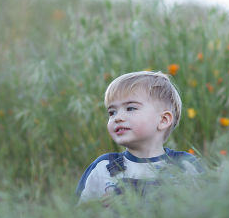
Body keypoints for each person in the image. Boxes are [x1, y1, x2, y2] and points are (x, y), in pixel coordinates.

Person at [76, 70, 203, 204]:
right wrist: (101, 207)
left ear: (163, 120)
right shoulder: (103, 169)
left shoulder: (185, 166)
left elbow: (208, 208)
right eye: (112, 112)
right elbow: (78, 214)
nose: (117, 118)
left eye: (130, 108)